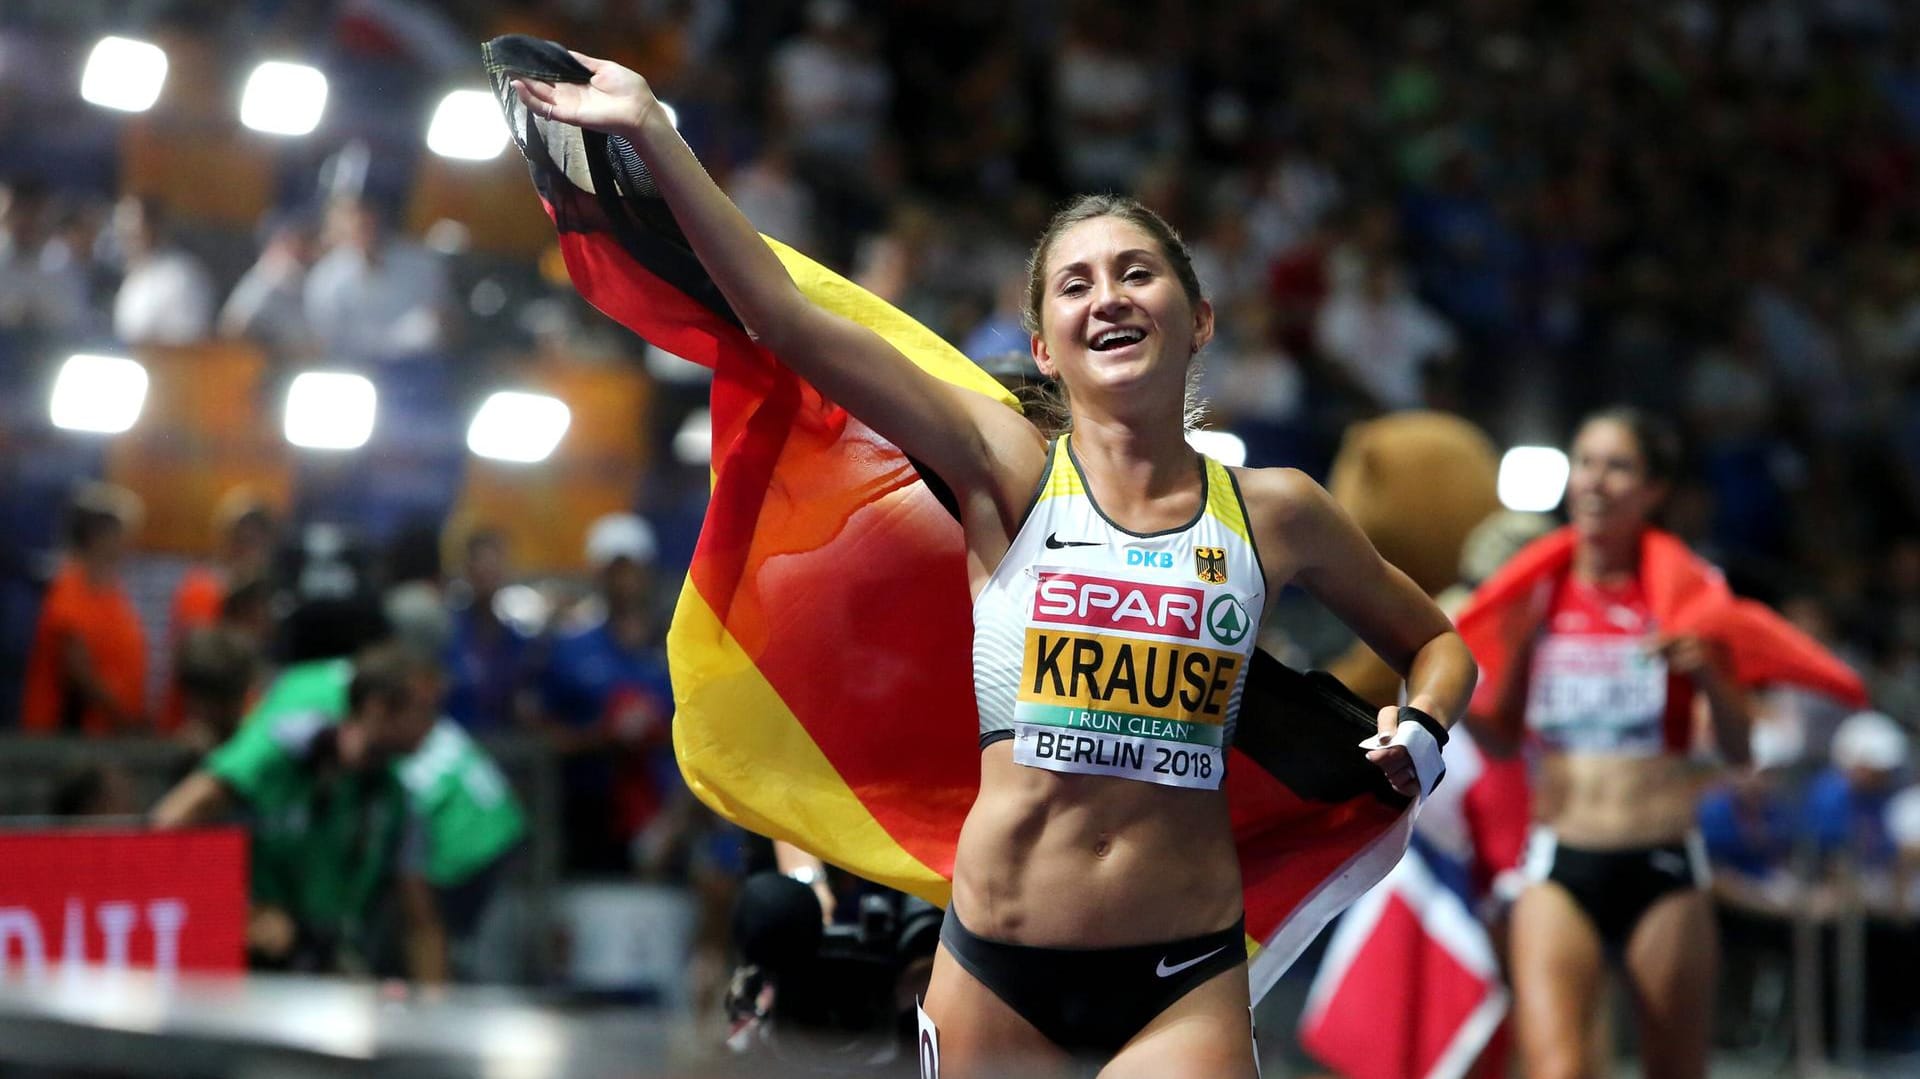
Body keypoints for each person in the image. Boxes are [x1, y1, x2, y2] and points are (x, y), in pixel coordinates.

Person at [512, 56, 1475, 1078]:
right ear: (1046, 348)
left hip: (1183, 972)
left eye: (1137, 272)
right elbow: (785, 319)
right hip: (997, 968)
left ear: (1198, 322)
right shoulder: (1006, 470)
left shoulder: (1279, 513)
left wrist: (1427, 722)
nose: (1108, 295)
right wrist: (656, 131)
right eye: (1077, 282)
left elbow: (1438, 642)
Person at [1468, 409, 1754, 1079]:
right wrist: (1443, 694)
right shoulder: (1535, 590)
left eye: (1617, 466)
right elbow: (1504, 740)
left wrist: (1709, 668)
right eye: (1586, 461)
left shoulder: (1691, 591)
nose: (1595, 482)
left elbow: (1739, 750)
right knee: (1557, 1070)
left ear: (1654, 490)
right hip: (1558, 859)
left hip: (1662, 860)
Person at [150, 641, 451, 982]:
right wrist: (237, 914)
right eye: (425, 710)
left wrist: (434, 1010)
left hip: (325, 956)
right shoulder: (278, 751)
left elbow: (421, 922)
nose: (434, 727)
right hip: (243, 961)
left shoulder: (396, 794)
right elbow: (169, 821)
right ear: (378, 707)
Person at [21, 483, 148, 736]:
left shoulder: (111, 588)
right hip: (70, 735)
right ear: (96, 535)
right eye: (121, 533)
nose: (128, 543)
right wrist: (124, 717)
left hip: (106, 731)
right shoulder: (71, 585)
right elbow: (76, 670)